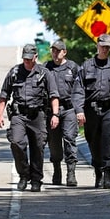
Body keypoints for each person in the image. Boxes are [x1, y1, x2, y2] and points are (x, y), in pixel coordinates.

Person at [0, 44, 60, 192]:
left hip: (38, 115)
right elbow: (4, 95)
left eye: (29, 59)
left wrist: (55, 114)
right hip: (19, 115)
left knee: (38, 147)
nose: (26, 61)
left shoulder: (44, 73)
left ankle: (36, 179)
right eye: (24, 59)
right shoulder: (14, 72)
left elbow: (54, 95)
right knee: (16, 143)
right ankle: (24, 175)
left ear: (35, 57)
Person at [72, 34, 110, 189]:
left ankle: (107, 175)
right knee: (93, 141)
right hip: (91, 110)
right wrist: (79, 110)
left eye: (108, 47)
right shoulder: (86, 67)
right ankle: (98, 171)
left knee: (107, 137)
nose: (105, 49)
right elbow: (78, 91)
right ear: (97, 46)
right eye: (103, 46)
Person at [44, 40, 80, 186]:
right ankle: (56, 169)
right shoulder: (46, 68)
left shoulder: (73, 67)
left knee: (70, 138)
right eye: (53, 50)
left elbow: (80, 89)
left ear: (64, 52)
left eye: (58, 51)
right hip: (51, 110)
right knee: (54, 143)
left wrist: (80, 110)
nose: (55, 53)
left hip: (69, 108)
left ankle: (71, 173)